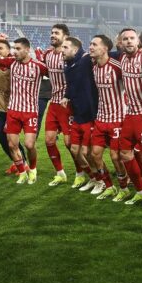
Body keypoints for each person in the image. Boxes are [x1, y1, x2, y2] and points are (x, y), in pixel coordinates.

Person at [0, 35, 48, 184]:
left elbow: (58, 75)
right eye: (14, 48)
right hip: (13, 111)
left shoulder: (39, 66)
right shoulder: (11, 62)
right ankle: (22, 172)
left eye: (18, 48)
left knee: (29, 145)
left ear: (27, 50)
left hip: (30, 111)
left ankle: (33, 169)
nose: (14, 51)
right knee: (12, 145)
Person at [36, 24, 80, 187]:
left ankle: (80, 173)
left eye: (56, 33)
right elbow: (48, 74)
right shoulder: (48, 54)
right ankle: (60, 173)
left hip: (68, 104)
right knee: (49, 140)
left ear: (65, 36)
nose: (52, 35)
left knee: (70, 144)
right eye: (52, 32)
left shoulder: (69, 55)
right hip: (54, 103)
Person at [116, 27, 142, 205]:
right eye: (125, 39)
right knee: (125, 153)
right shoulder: (122, 58)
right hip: (130, 114)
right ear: (120, 43)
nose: (129, 41)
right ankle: (141, 191)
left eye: (132, 38)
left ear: (138, 41)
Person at [87, 35, 126, 199]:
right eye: (90, 44)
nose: (91, 47)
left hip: (118, 119)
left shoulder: (117, 67)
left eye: (94, 44)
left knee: (116, 157)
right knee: (95, 154)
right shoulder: (94, 67)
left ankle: (124, 188)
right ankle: (109, 186)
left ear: (105, 49)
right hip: (101, 118)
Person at [61, 36, 97, 190]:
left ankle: (103, 182)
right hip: (77, 114)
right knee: (75, 150)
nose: (62, 50)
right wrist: (66, 96)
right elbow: (72, 85)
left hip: (90, 114)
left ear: (75, 50)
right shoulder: (68, 66)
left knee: (89, 152)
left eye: (65, 47)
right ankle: (93, 178)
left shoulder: (86, 59)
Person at [0, 38, 25, 173]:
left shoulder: (14, 64)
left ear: (8, 50)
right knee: (2, 139)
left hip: (12, 109)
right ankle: (17, 163)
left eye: (1, 48)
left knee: (12, 140)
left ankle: (24, 164)